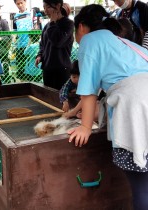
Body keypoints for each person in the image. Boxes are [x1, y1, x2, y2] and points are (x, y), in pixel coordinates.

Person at [68, 4, 148, 210]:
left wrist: (85, 127)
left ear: (82, 27)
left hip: (136, 107)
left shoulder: (90, 40)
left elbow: (88, 90)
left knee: (142, 187)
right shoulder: (123, 43)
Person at [35, 0, 74, 90]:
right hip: (47, 68)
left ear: (58, 6)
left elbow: (58, 41)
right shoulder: (47, 26)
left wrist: (52, 23)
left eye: (48, 7)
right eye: (44, 7)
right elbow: (42, 44)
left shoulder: (68, 24)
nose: (45, 10)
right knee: (48, 98)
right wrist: (40, 55)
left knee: (61, 99)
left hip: (62, 69)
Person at [13, 0, 32, 80]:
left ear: (25, 2)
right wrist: (13, 44)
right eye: (18, 3)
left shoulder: (31, 14)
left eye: (21, 3)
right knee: (20, 68)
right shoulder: (15, 17)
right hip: (20, 46)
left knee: (30, 67)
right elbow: (14, 32)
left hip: (30, 45)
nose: (20, 5)